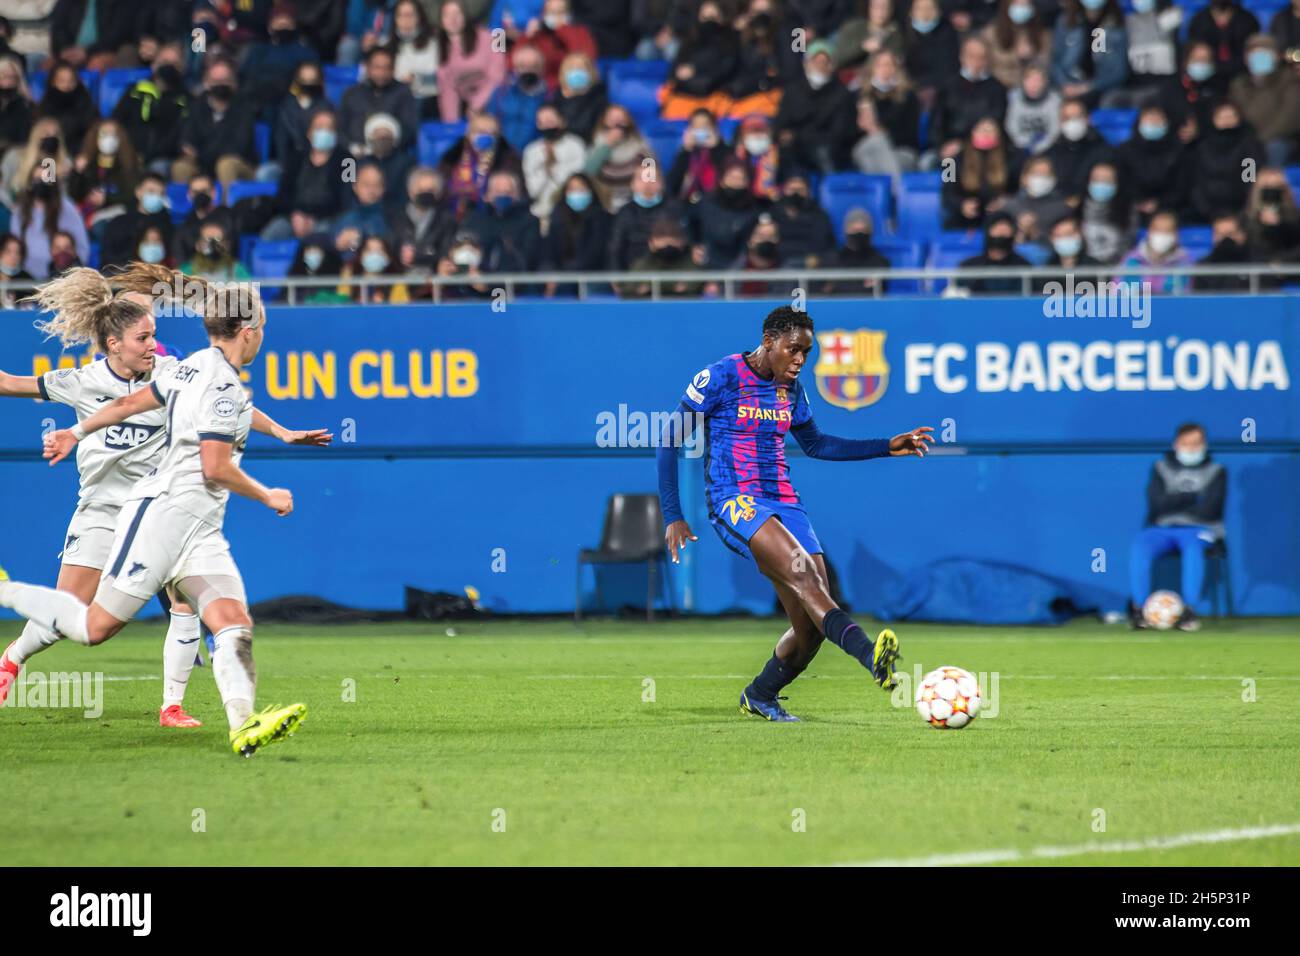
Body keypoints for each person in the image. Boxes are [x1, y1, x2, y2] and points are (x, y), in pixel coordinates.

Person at [0, 266, 312, 755]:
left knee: (227, 618)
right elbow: (212, 462)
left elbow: (222, 409)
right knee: (89, 626)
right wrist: (269, 494)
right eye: (144, 337)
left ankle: (231, 722)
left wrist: (286, 432)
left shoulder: (180, 370)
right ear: (111, 343)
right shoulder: (83, 381)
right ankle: (11, 612)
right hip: (134, 513)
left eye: (155, 335)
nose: (153, 345)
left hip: (188, 523)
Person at [656, 306, 934, 721]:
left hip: (785, 502)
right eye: (793, 349)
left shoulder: (792, 391)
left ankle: (761, 694)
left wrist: (885, 446)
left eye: (807, 351)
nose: (800, 360)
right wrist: (673, 513)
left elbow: (818, 445)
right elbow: (669, 439)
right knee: (804, 575)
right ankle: (868, 653)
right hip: (736, 498)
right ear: (769, 341)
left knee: (810, 626)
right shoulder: (721, 377)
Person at [1128, 422, 1226, 631]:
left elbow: (1211, 509)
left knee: (1193, 548)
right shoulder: (1160, 468)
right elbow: (1157, 505)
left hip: (1200, 529)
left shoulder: (1217, 471)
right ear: (1176, 444)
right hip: (1163, 529)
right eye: (1186, 443)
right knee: (1141, 544)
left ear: (1204, 444)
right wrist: (1192, 497)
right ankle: (1140, 610)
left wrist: (1173, 499)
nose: (1191, 448)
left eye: (1196, 443)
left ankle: (1189, 611)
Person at [774, 41, 857, 173]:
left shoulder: (842, 94)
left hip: (826, 147)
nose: (821, 66)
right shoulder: (793, 91)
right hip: (794, 146)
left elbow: (839, 134)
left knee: (824, 153)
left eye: (826, 62)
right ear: (806, 64)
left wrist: (798, 136)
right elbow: (781, 122)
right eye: (816, 61)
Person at [1229, 34, 1300, 168]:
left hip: (1277, 140)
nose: (1259, 57)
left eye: (1266, 52)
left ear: (1277, 56)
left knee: (1275, 147)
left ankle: (1268, 185)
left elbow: (1290, 118)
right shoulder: (1238, 84)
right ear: (1246, 58)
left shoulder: (1290, 81)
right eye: (1254, 53)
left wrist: (1261, 139)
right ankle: (1247, 185)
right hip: (1246, 141)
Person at [932, 36, 1008, 161]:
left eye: (981, 58)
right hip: (951, 148)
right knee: (947, 168)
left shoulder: (997, 88)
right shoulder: (947, 87)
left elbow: (997, 121)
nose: (976, 62)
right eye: (971, 56)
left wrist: (966, 143)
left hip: (986, 147)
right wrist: (942, 146)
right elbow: (936, 124)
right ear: (962, 57)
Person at [1116, 103, 1189, 226]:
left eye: (1158, 120)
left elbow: (1182, 186)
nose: (1153, 124)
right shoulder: (1125, 150)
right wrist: (1138, 202)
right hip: (1132, 206)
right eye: (1149, 120)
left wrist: (1159, 203)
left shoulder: (1178, 150)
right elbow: (1122, 182)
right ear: (1139, 123)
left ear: (1167, 124)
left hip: (1170, 207)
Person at [436, 0, 508, 121]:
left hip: (496, 99)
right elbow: (447, 91)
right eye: (447, 15)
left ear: (465, 16)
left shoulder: (496, 36)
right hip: (467, 105)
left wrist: (476, 105)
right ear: (441, 21)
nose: (453, 19)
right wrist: (451, 125)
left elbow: (498, 76)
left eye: (457, 14)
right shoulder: (439, 46)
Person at [1051, 0, 1130, 107]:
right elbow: (1055, 60)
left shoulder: (1116, 24)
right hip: (1069, 84)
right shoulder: (1065, 20)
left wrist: (1088, 87)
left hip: (1103, 89)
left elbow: (1119, 72)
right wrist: (1065, 84)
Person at [522, 103, 587, 225]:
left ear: (562, 122)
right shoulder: (531, 151)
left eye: (551, 121)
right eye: (543, 123)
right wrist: (546, 167)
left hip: (570, 212)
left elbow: (578, 180)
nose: (547, 126)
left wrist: (554, 166)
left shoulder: (576, 145)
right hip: (540, 213)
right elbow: (533, 191)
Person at [583, 104, 654, 212]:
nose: (617, 123)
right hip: (603, 198)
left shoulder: (641, 144)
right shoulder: (597, 142)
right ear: (604, 121)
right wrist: (607, 145)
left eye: (621, 119)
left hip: (633, 198)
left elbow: (651, 174)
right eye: (612, 119)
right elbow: (589, 171)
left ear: (628, 122)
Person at [980, 0, 1052, 90]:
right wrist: (1014, 55)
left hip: (1027, 90)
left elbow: (1044, 66)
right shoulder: (991, 32)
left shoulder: (1041, 35)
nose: (1021, 8)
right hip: (996, 87)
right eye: (1017, 4)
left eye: (1026, 5)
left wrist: (1030, 59)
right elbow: (985, 64)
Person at [490, 43, 549, 151]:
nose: (528, 71)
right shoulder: (501, 92)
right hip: (503, 153)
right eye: (522, 66)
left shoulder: (549, 96)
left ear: (542, 69)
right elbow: (490, 123)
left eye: (534, 66)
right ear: (515, 68)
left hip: (535, 153)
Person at [1117, 208, 1191, 293]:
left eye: (1167, 231)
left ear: (1176, 235)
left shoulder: (1184, 262)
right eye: (1157, 229)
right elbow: (1117, 293)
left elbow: (1185, 296)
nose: (1161, 235)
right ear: (1149, 232)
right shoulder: (1131, 260)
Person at [666, 108, 729, 203]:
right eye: (696, 126)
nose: (700, 129)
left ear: (714, 128)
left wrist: (716, 148)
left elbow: (728, 176)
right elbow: (672, 184)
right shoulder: (685, 153)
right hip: (688, 203)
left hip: (719, 203)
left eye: (705, 125)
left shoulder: (725, 151)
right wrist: (686, 151)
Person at [957, 212, 1032, 293]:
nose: (1001, 233)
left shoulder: (1024, 266)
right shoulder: (969, 267)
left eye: (1005, 231)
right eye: (996, 229)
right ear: (987, 233)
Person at [1188, 0, 1260, 78]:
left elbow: (1253, 49)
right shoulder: (1199, 21)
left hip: (1243, 74)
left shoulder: (1248, 19)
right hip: (1208, 75)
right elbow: (1194, 51)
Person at [1004, 62, 1060, 154]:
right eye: (1029, 80)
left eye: (1037, 80)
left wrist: (1040, 146)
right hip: (1020, 147)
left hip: (1047, 149)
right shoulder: (1014, 97)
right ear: (1023, 81)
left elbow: (1055, 130)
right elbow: (1011, 126)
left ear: (1044, 82)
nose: (1033, 84)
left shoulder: (1054, 99)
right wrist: (1026, 144)